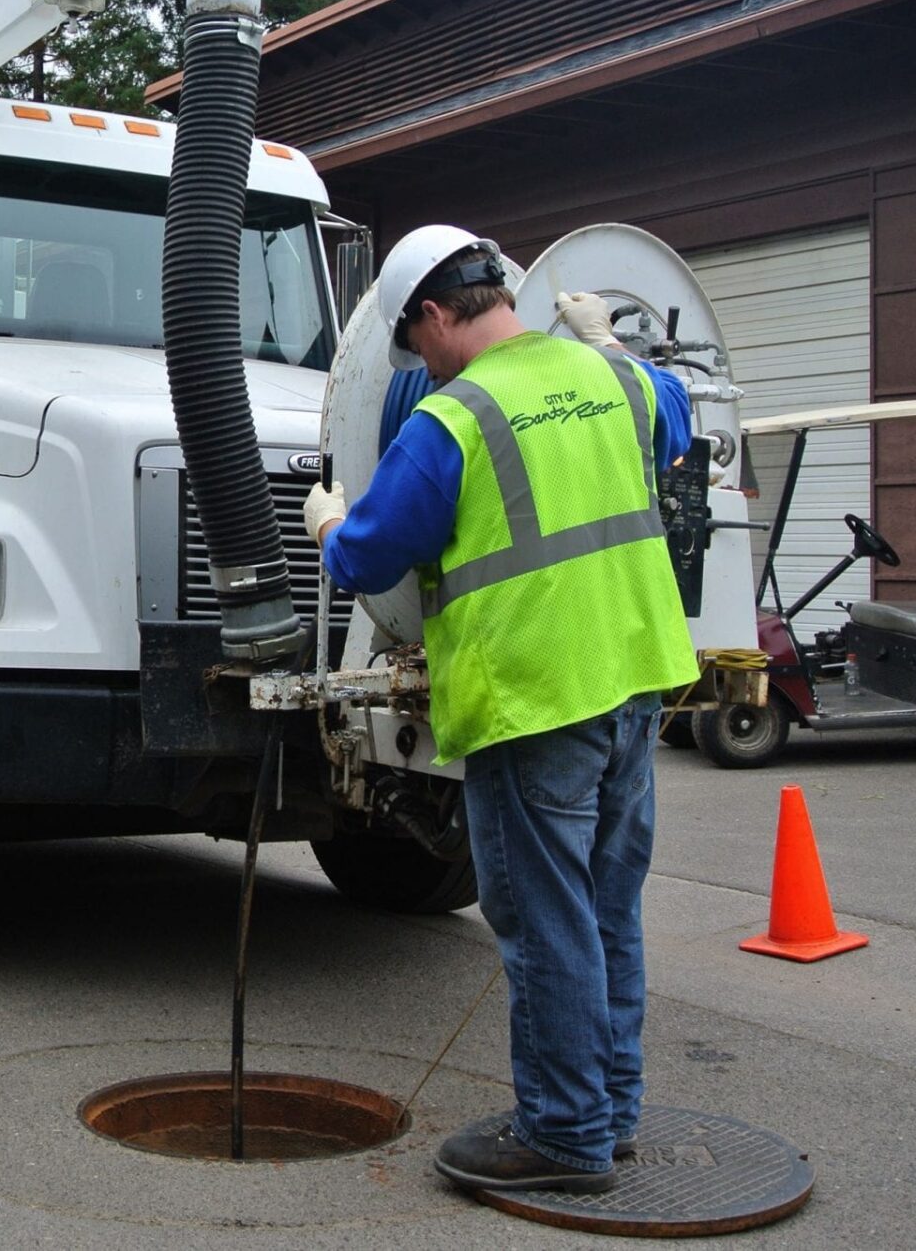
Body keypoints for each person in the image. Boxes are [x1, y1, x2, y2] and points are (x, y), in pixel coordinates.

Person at [303, 225, 699, 1194]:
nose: (420, 366)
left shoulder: (453, 421)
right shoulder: (613, 381)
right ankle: (610, 1110)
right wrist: (608, 344)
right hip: (635, 686)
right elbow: (681, 420)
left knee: (543, 918)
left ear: (435, 315)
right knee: (607, 906)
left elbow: (366, 555)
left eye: (415, 346)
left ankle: (564, 1134)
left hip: (533, 702)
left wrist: (326, 522)